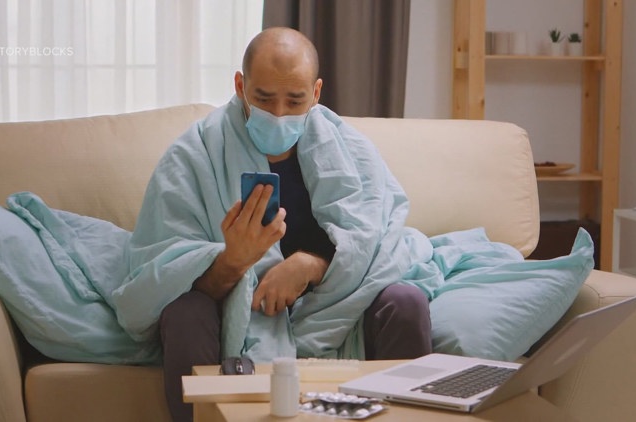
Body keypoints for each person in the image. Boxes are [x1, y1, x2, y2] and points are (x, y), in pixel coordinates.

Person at [121, 27, 432, 422]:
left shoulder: (351, 151)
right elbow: (160, 275)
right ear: (240, 86)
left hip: (337, 308)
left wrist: (311, 266)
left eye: (295, 100)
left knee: (406, 301)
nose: (279, 114)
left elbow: (375, 242)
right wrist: (232, 262)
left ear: (316, 93)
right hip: (236, 313)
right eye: (264, 99)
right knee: (186, 312)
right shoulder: (193, 155)